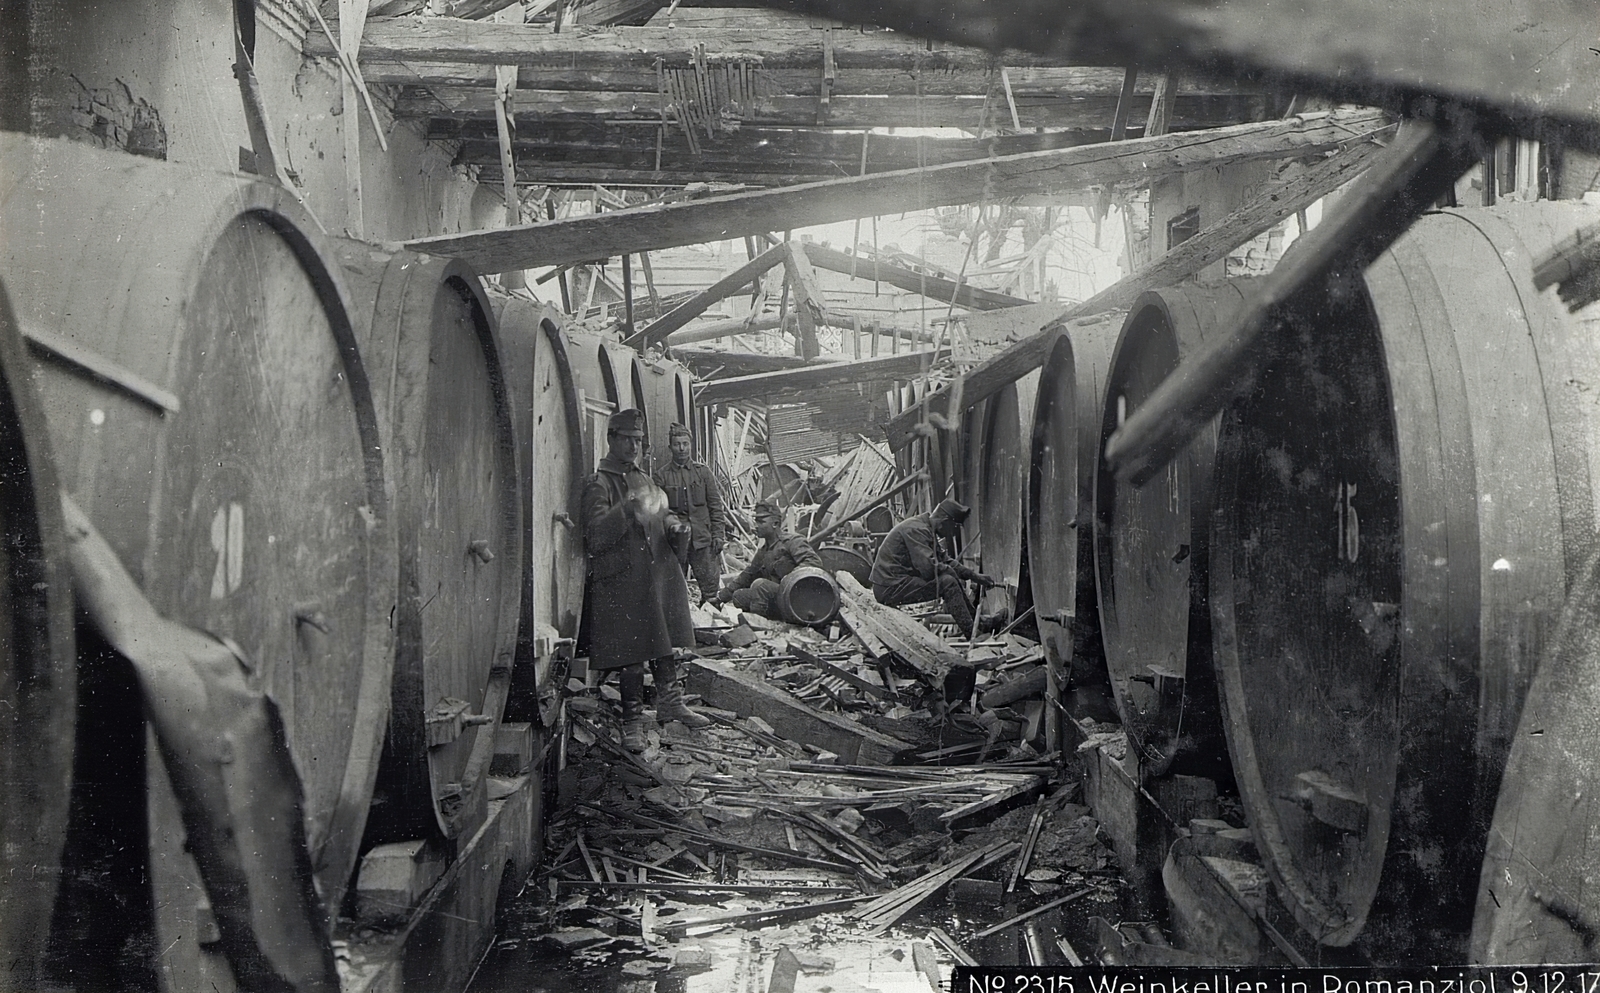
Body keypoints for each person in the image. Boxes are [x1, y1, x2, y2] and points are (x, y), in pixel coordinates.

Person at [582, 408, 711, 751]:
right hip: (623, 580)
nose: (633, 447)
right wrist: (625, 508)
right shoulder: (600, 483)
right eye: (627, 440)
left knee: (664, 642)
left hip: (653, 575)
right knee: (632, 654)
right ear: (611, 439)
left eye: (638, 441)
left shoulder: (643, 476)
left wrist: (673, 525)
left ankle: (670, 702)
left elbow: (661, 510)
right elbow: (594, 536)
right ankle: (632, 721)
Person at [869, 498, 996, 633]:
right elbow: (929, 569)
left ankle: (980, 624)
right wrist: (952, 573)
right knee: (947, 583)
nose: (952, 534)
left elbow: (946, 561)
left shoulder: (926, 528)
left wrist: (975, 576)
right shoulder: (917, 530)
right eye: (954, 529)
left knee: (949, 579)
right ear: (944, 521)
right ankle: (973, 633)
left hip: (895, 583)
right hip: (888, 588)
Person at [652, 422, 727, 603]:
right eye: (677, 444)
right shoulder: (661, 476)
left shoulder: (703, 473)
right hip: (676, 544)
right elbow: (658, 513)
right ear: (670, 447)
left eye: (685, 444)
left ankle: (711, 626)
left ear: (690, 445)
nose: (682, 448)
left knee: (711, 594)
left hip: (703, 541)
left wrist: (718, 535)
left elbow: (715, 506)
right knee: (674, 593)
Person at [714, 501, 823, 620]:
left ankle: (758, 625)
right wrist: (720, 597)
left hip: (798, 598)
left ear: (775, 523)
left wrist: (789, 579)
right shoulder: (764, 551)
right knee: (739, 596)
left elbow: (813, 562)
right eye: (756, 521)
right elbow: (747, 575)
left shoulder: (792, 542)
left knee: (761, 585)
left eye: (761, 522)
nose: (756, 526)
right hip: (780, 599)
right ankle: (769, 621)